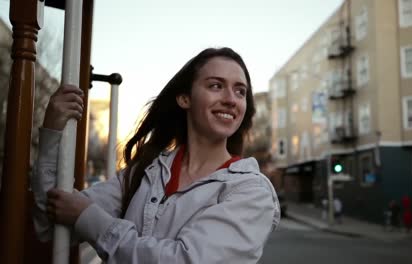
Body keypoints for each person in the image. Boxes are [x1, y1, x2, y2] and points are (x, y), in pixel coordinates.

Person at [31, 47, 280, 263]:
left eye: (240, 91)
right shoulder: (146, 172)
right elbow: (52, 219)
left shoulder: (250, 191)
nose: (230, 99)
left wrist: (91, 219)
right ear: (184, 98)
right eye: (216, 86)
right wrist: (53, 130)